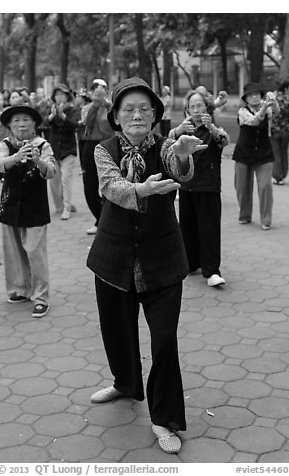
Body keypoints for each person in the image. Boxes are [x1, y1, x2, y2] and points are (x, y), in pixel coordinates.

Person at [87, 77, 207, 454]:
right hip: (113, 258)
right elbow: (110, 186)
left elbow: (178, 167)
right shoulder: (103, 150)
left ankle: (165, 418)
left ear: (154, 115)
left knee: (164, 340)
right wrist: (141, 190)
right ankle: (125, 383)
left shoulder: (167, 144)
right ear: (117, 117)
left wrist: (185, 155)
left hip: (163, 259)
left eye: (144, 109)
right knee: (117, 331)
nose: (137, 115)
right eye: (129, 109)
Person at [0, 103, 56, 318]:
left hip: (35, 207)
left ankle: (40, 297)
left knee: (35, 252)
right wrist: (16, 156)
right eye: (16, 121)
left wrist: (37, 160)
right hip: (10, 205)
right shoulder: (5, 144)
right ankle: (19, 290)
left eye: (25, 120)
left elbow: (51, 172)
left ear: (34, 124)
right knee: (13, 252)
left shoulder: (43, 145)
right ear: (10, 126)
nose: (21, 124)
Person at [169, 88, 229, 287]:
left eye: (199, 105)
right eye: (192, 106)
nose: (196, 110)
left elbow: (224, 140)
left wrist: (210, 126)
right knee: (187, 228)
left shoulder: (213, 128)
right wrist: (178, 130)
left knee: (209, 229)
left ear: (207, 107)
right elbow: (168, 143)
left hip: (208, 186)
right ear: (187, 109)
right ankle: (191, 264)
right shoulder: (183, 130)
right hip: (186, 186)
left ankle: (211, 271)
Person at [232, 82, 279, 231]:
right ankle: (245, 215)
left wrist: (273, 101)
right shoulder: (242, 111)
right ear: (246, 98)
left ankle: (266, 219)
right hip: (243, 153)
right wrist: (264, 109)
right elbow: (253, 121)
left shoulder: (268, 109)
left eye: (257, 94)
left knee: (265, 186)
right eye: (251, 95)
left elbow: (276, 111)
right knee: (242, 187)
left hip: (264, 153)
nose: (254, 97)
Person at [81, 79, 114, 235]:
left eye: (101, 89)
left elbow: (112, 124)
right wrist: (95, 105)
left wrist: (105, 104)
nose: (97, 91)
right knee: (89, 187)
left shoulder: (111, 107)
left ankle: (106, 221)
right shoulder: (88, 107)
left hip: (106, 147)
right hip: (89, 146)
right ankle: (100, 218)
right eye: (94, 89)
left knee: (108, 185)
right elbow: (87, 124)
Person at [48, 83, 80, 220]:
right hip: (54, 149)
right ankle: (60, 206)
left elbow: (74, 125)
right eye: (57, 95)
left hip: (68, 150)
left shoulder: (73, 110)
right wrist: (52, 116)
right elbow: (42, 124)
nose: (59, 97)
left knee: (66, 179)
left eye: (62, 94)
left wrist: (63, 116)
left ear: (67, 97)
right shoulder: (51, 110)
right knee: (53, 181)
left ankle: (66, 208)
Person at [270, 80, 289, 185]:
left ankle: (277, 176)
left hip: (274, 131)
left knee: (276, 152)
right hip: (286, 131)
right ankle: (283, 173)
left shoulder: (273, 100)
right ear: (286, 89)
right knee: (283, 152)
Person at [76, 88, 92, 168]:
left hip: (86, 133)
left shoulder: (87, 107)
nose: (77, 98)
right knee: (81, 150)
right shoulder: (77, 107)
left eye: (78, 97)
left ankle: (85, 167)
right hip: (80, 133)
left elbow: (85, 120)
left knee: (85, 152)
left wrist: (78, 122)